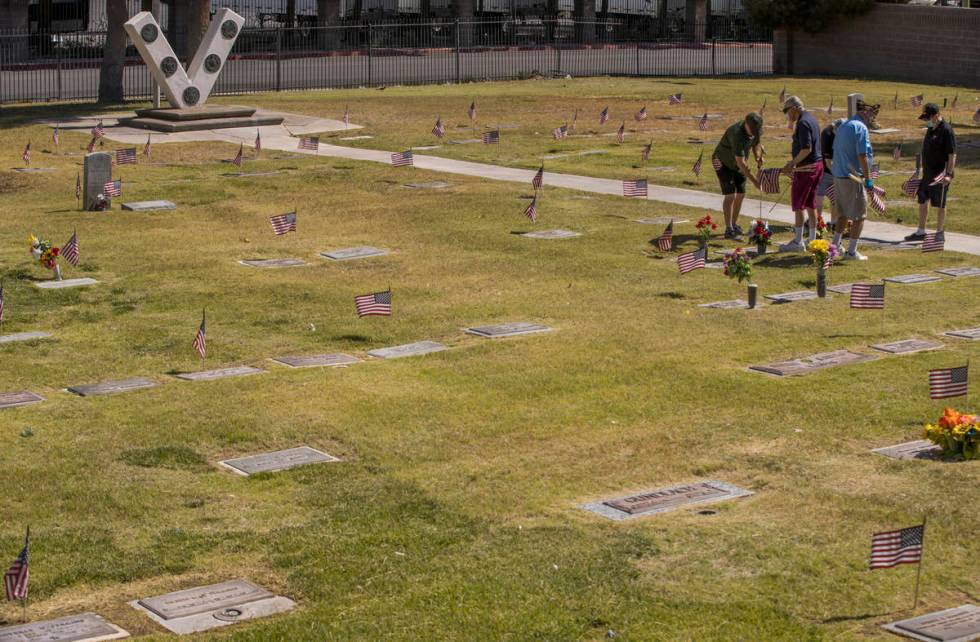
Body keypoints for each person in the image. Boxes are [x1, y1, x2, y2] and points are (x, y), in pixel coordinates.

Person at [830, 100, 879, 261]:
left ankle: (835, 245)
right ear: (864, 112)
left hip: (839, 175)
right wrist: (868, 179)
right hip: (853, 178)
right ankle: (851, 252)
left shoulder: (845, 125)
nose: (873, 117)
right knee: (859, 216)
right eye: (871, 113)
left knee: (843, 214)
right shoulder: (861, 127)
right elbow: (862, 155)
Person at [904, 103, 956, 242]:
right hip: (927, 173)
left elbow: (952, 155)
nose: (926, 120)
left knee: (940, 203)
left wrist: (949, 174)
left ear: (935, 115)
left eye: (928, 117)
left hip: (940, 174)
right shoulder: (930, 128)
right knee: (922, 200)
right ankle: (921, 231)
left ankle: (939, 232)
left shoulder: (946, 130)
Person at [778, 96, 823, 252]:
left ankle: (798, 242)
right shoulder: (812, 119)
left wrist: (792, 164)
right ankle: (812, 240)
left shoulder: (803, 123)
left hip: (807, 168)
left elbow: (806, 148)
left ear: (795, 108)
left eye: (787, 111)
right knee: (811, 204)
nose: (787, 115)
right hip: (817, 166)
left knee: (798, 204)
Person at [713, 112, 764, 240]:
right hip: (722, 161)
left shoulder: (755, 130)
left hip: (738, 163)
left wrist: (757, 156)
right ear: (746, 124)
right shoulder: (737, 134)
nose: (754, 133)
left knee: (741, 194)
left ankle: (734, 224)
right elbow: (741, 163)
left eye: (756, 131)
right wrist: (755, 182)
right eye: (752, 130)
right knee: (730, 195)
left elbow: (756, 143)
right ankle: (728, 228)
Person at [816, 118, 845, 232]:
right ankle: (817, 223)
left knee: (835, 198)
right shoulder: (827, 135)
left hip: (837, 169)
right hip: (824, 170)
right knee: (819, 197)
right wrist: (837, 175)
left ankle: (833, 222)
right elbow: (828, 162)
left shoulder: (842, 133)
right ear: (835, 129)